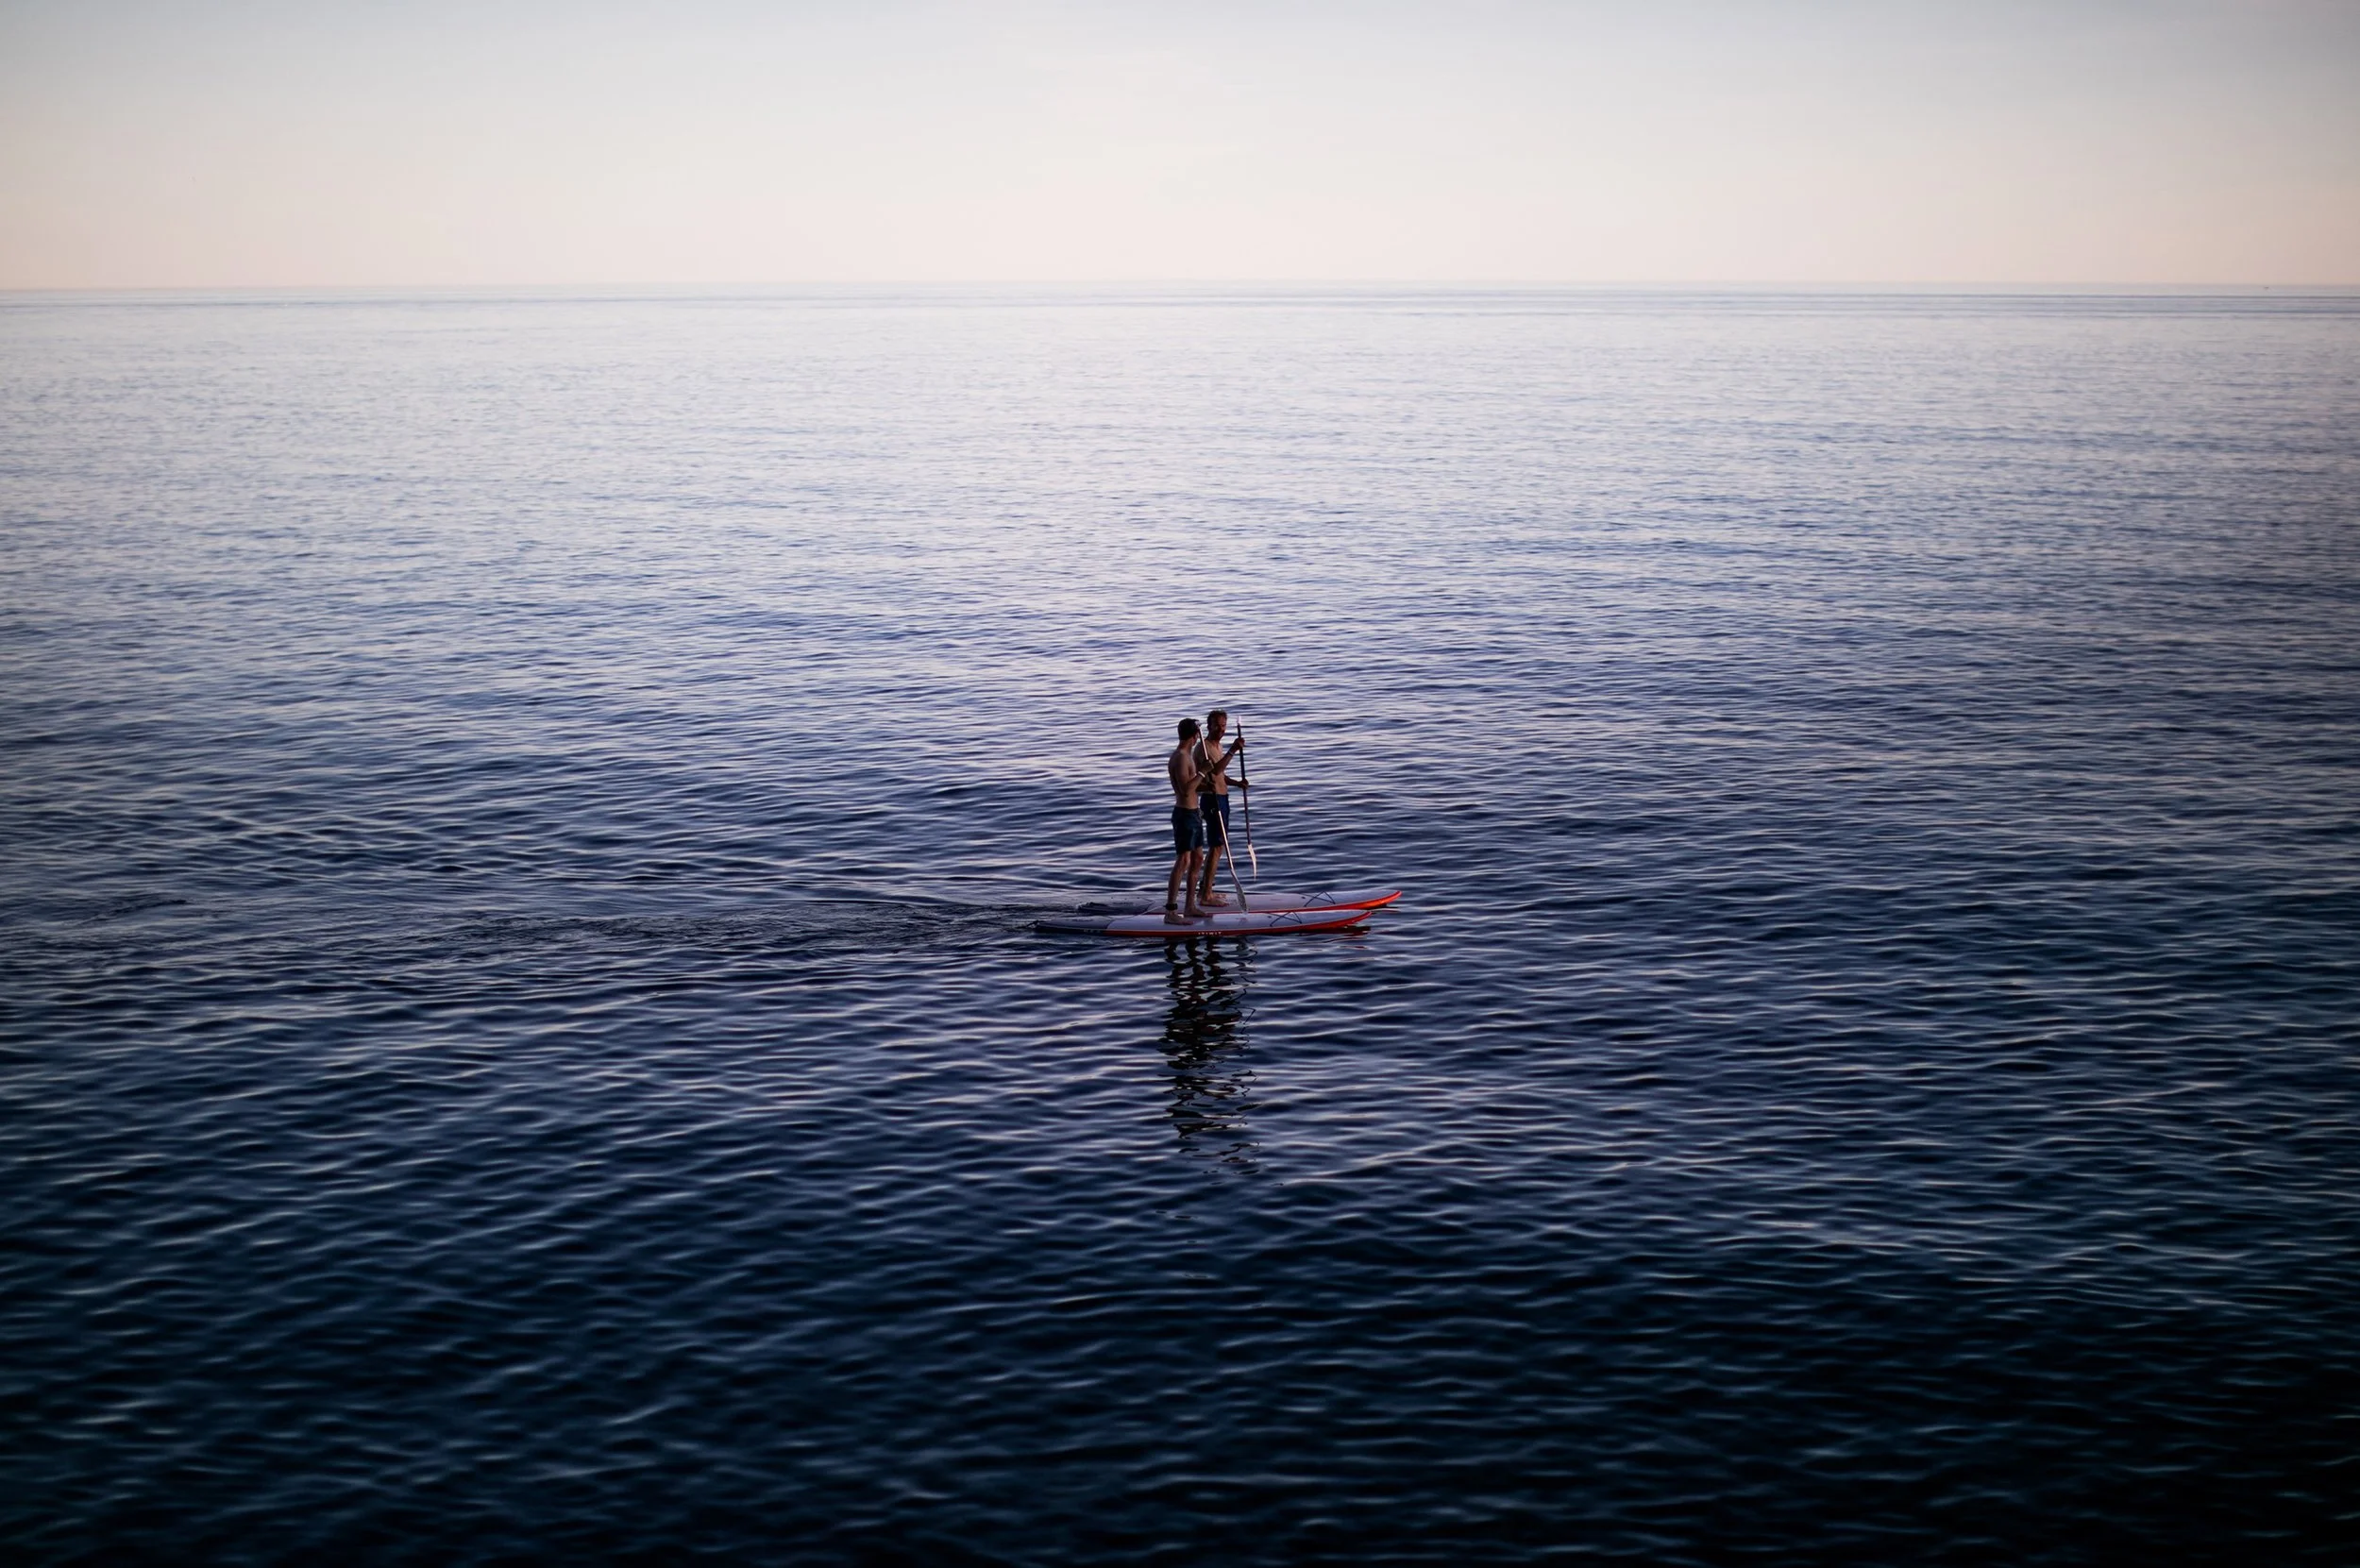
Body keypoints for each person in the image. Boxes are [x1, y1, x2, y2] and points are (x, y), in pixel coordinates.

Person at [1194, 708, 1250, 908]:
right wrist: (1233, 750)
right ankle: (1206, 895)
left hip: (1222, 798)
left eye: (1224, 726)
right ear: (1209, 726)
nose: (1221, 729)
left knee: (1218, 847)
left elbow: (1220, 776)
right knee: (1217, 846)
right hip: (1212, 800)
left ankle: (1205, 889)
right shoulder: (1204, 747)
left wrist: (1237, 784)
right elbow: (1215, 769)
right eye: (1217, 725)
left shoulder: (1217, 746)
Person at [1166, 717, 1209, 922]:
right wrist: (1203, 772)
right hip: (1184, 815)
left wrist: (1210, 785)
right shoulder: (1182, 757)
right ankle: (1171, 912)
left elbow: (1194, 786)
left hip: (1194, 814)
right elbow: (1185, 790)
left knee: (1198, 858)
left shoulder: (1188, 756)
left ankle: (1190, 906)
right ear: (1193, 737)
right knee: (1183, 860)